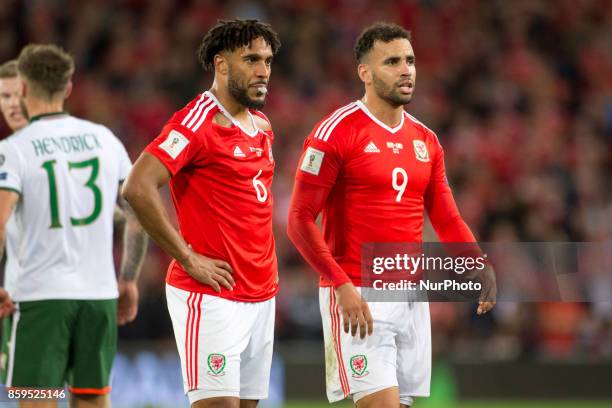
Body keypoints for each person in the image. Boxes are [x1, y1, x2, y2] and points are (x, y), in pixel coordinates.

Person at [287, 22, 496, 408]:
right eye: (392, 61)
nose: (406, 70)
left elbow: (446, 216)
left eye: (410, 60)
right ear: (364, 73)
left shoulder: (425, 140)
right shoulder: (336, 132)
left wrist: (476, 262)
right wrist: (341, 285)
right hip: (358, 292)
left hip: (410, 297)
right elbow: (299, 219)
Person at [122, 19, 280, 408]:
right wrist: (187, 257)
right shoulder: (197, 121)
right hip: (212, 296)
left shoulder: (260, 124)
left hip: (262, 294)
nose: (263, 71)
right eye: (251, 60)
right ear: (221, 65)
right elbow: (137, 187)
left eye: (268, 61)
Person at [0, 44, 148, 408]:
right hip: (99, 295)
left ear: (22, 89)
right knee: (94, 401)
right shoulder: (105, 140)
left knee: (36, 401)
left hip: (39, 298)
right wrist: (128, 278)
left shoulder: (14, 149)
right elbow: (138, 215)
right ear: (68, 89)